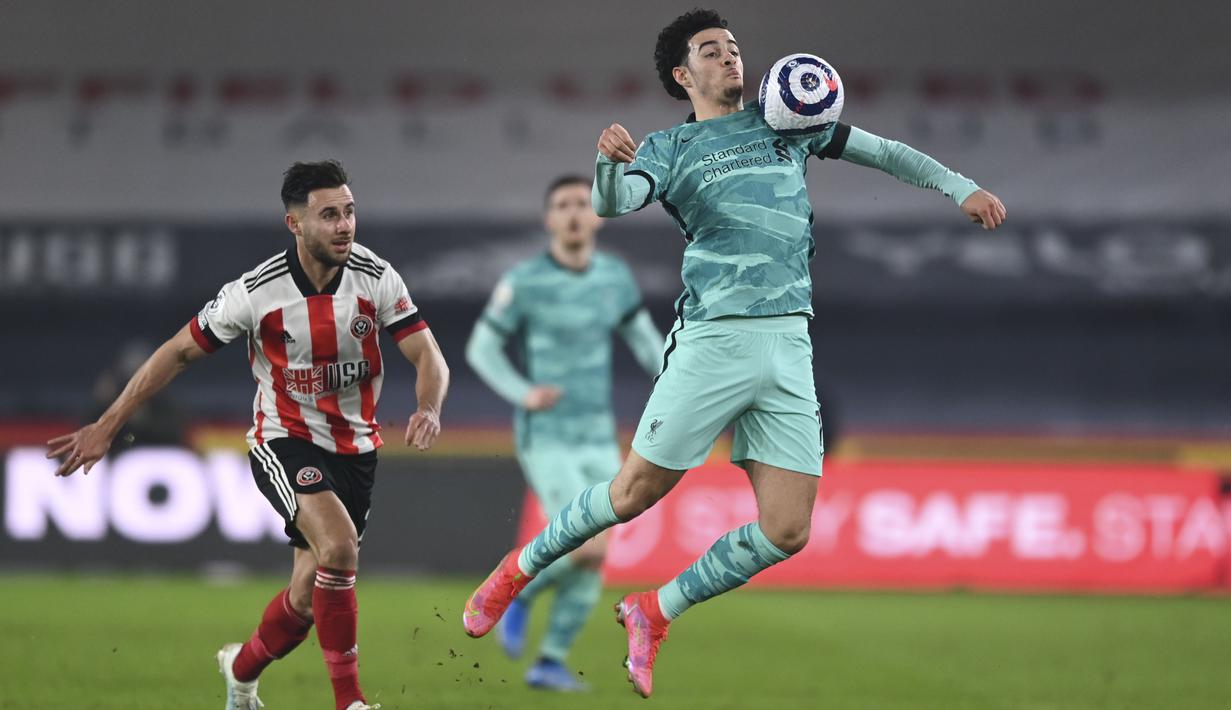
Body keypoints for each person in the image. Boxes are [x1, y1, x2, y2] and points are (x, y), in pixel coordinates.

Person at [463, 8, 1006, 699]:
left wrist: (960, 187)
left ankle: (654, 610)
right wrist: (605, 164)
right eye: (711, 51)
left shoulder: (786, 121)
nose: (729, 58)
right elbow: (613, 203)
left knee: (786, 530)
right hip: (714, 338)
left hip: (787, 343)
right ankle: (517, 570)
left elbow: (887, 152)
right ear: (681, 75)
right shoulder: (666, 148)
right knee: (633, 494)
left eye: (733, 47)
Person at [46, 160, 449, 710]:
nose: (344, 226)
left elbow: (427, 353)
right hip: (285, 439)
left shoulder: (376, 277)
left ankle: (239, 673)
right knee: (339, 547)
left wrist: (429, 405)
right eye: (328, 215)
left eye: (349, 212)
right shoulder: (255, 292)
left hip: (357, 450)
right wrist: (108, 425)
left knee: (307, 601)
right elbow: (179, 352)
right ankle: (350, 703)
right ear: (295, 224)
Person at [465, 175, 663, 691]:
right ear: (548, 219)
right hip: (547, 435)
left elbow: (646, 344)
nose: (574, 213)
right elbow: (482, 348)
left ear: (597, 214)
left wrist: (681, 382)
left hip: (598, 434)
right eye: (562, 205)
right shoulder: (525, 281)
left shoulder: (615, 277)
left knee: (595, 554)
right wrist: (522, 391)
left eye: (582, 203)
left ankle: (548, 657)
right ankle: (519, 591)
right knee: (587, 547)